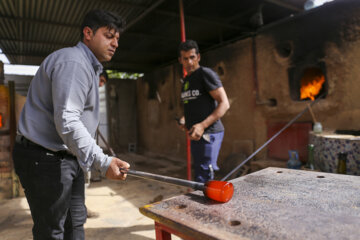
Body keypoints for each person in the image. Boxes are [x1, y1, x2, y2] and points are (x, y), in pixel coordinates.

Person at [12, 10, 130, 240]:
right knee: (52, 231)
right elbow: (67, 121)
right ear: (88, 33)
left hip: (66, 157)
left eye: (117, 38)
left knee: (75, 224)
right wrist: (103, 161)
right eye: (108, 36)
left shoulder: (89, 67)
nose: (115, 43)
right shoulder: (74, 63)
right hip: (44, 159)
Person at [178, 39, 230, 183]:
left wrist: (202, 125)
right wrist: (184, 119)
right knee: (200, 174)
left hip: (209, 133)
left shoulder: (205, 74)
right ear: (180, 60)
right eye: (185, 58)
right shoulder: (186, 81)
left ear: (198, 57)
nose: (189, 62)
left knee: (206, 175)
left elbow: (224, 103)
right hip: (196, 134)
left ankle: (210, 205)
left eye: (192, 57)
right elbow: (194, 105)